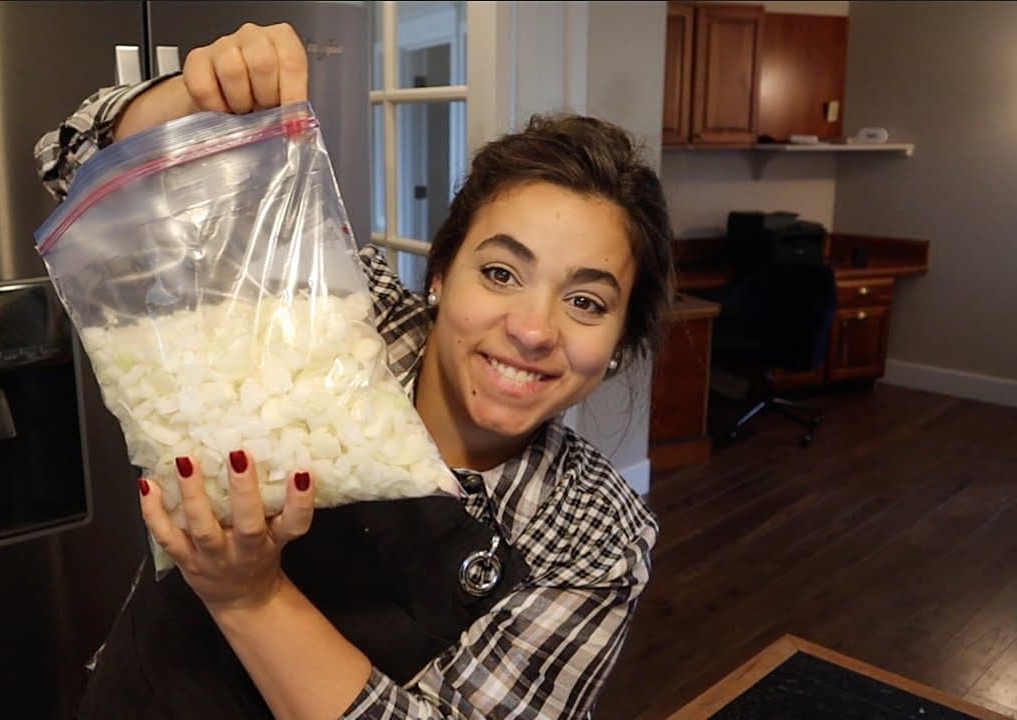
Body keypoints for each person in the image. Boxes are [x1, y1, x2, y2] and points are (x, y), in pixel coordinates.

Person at [35, 22, 671, 720]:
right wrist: (191, 98)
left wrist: (250, 596)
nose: (531, 329)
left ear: (617, 340)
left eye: (585, 301)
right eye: (499, 272)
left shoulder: (593, 534)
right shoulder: (329, 311)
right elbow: (66, 163)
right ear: (439, 276)